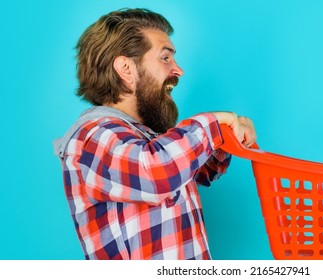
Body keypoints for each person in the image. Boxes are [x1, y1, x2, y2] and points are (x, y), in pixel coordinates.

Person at [53, 8, 256, 260]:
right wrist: (214, 121)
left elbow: (193, 172)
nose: (178, 70)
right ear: (126, 68)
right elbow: (156, 173)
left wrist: (227, 138)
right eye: (165, 58)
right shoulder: (93, 136)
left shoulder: (143, 138)